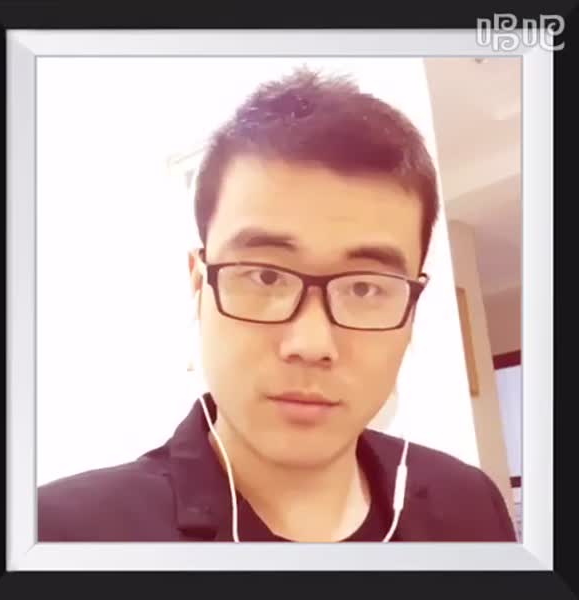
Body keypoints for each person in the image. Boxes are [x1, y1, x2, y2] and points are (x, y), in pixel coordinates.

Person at [38, 67, 517, 543]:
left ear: (411, 309)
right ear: (200, 286)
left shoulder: (471, 507)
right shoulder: (62, 537)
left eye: (364, 288)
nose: (311, 344)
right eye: (265, 276)